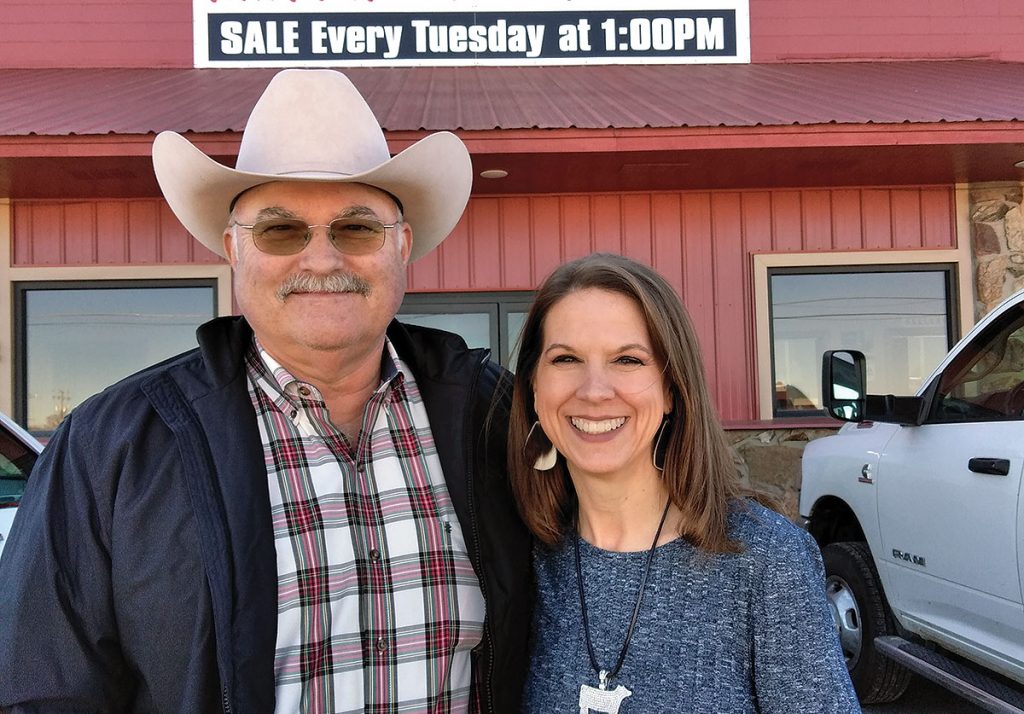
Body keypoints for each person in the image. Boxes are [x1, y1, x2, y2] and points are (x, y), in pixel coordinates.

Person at [0, 69, 532, 712]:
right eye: (281, 231)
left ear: (403, 246)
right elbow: (43, 690)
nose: (322, 259)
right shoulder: (109, 448)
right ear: (233, 249)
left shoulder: (494, 416)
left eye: (356, 229)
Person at [507, 253, 860, 713]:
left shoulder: (766, 562)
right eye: (566, 358)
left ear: (671, 388)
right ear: (535, 387)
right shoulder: (525, 556)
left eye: (628, 360)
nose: (594, 390)